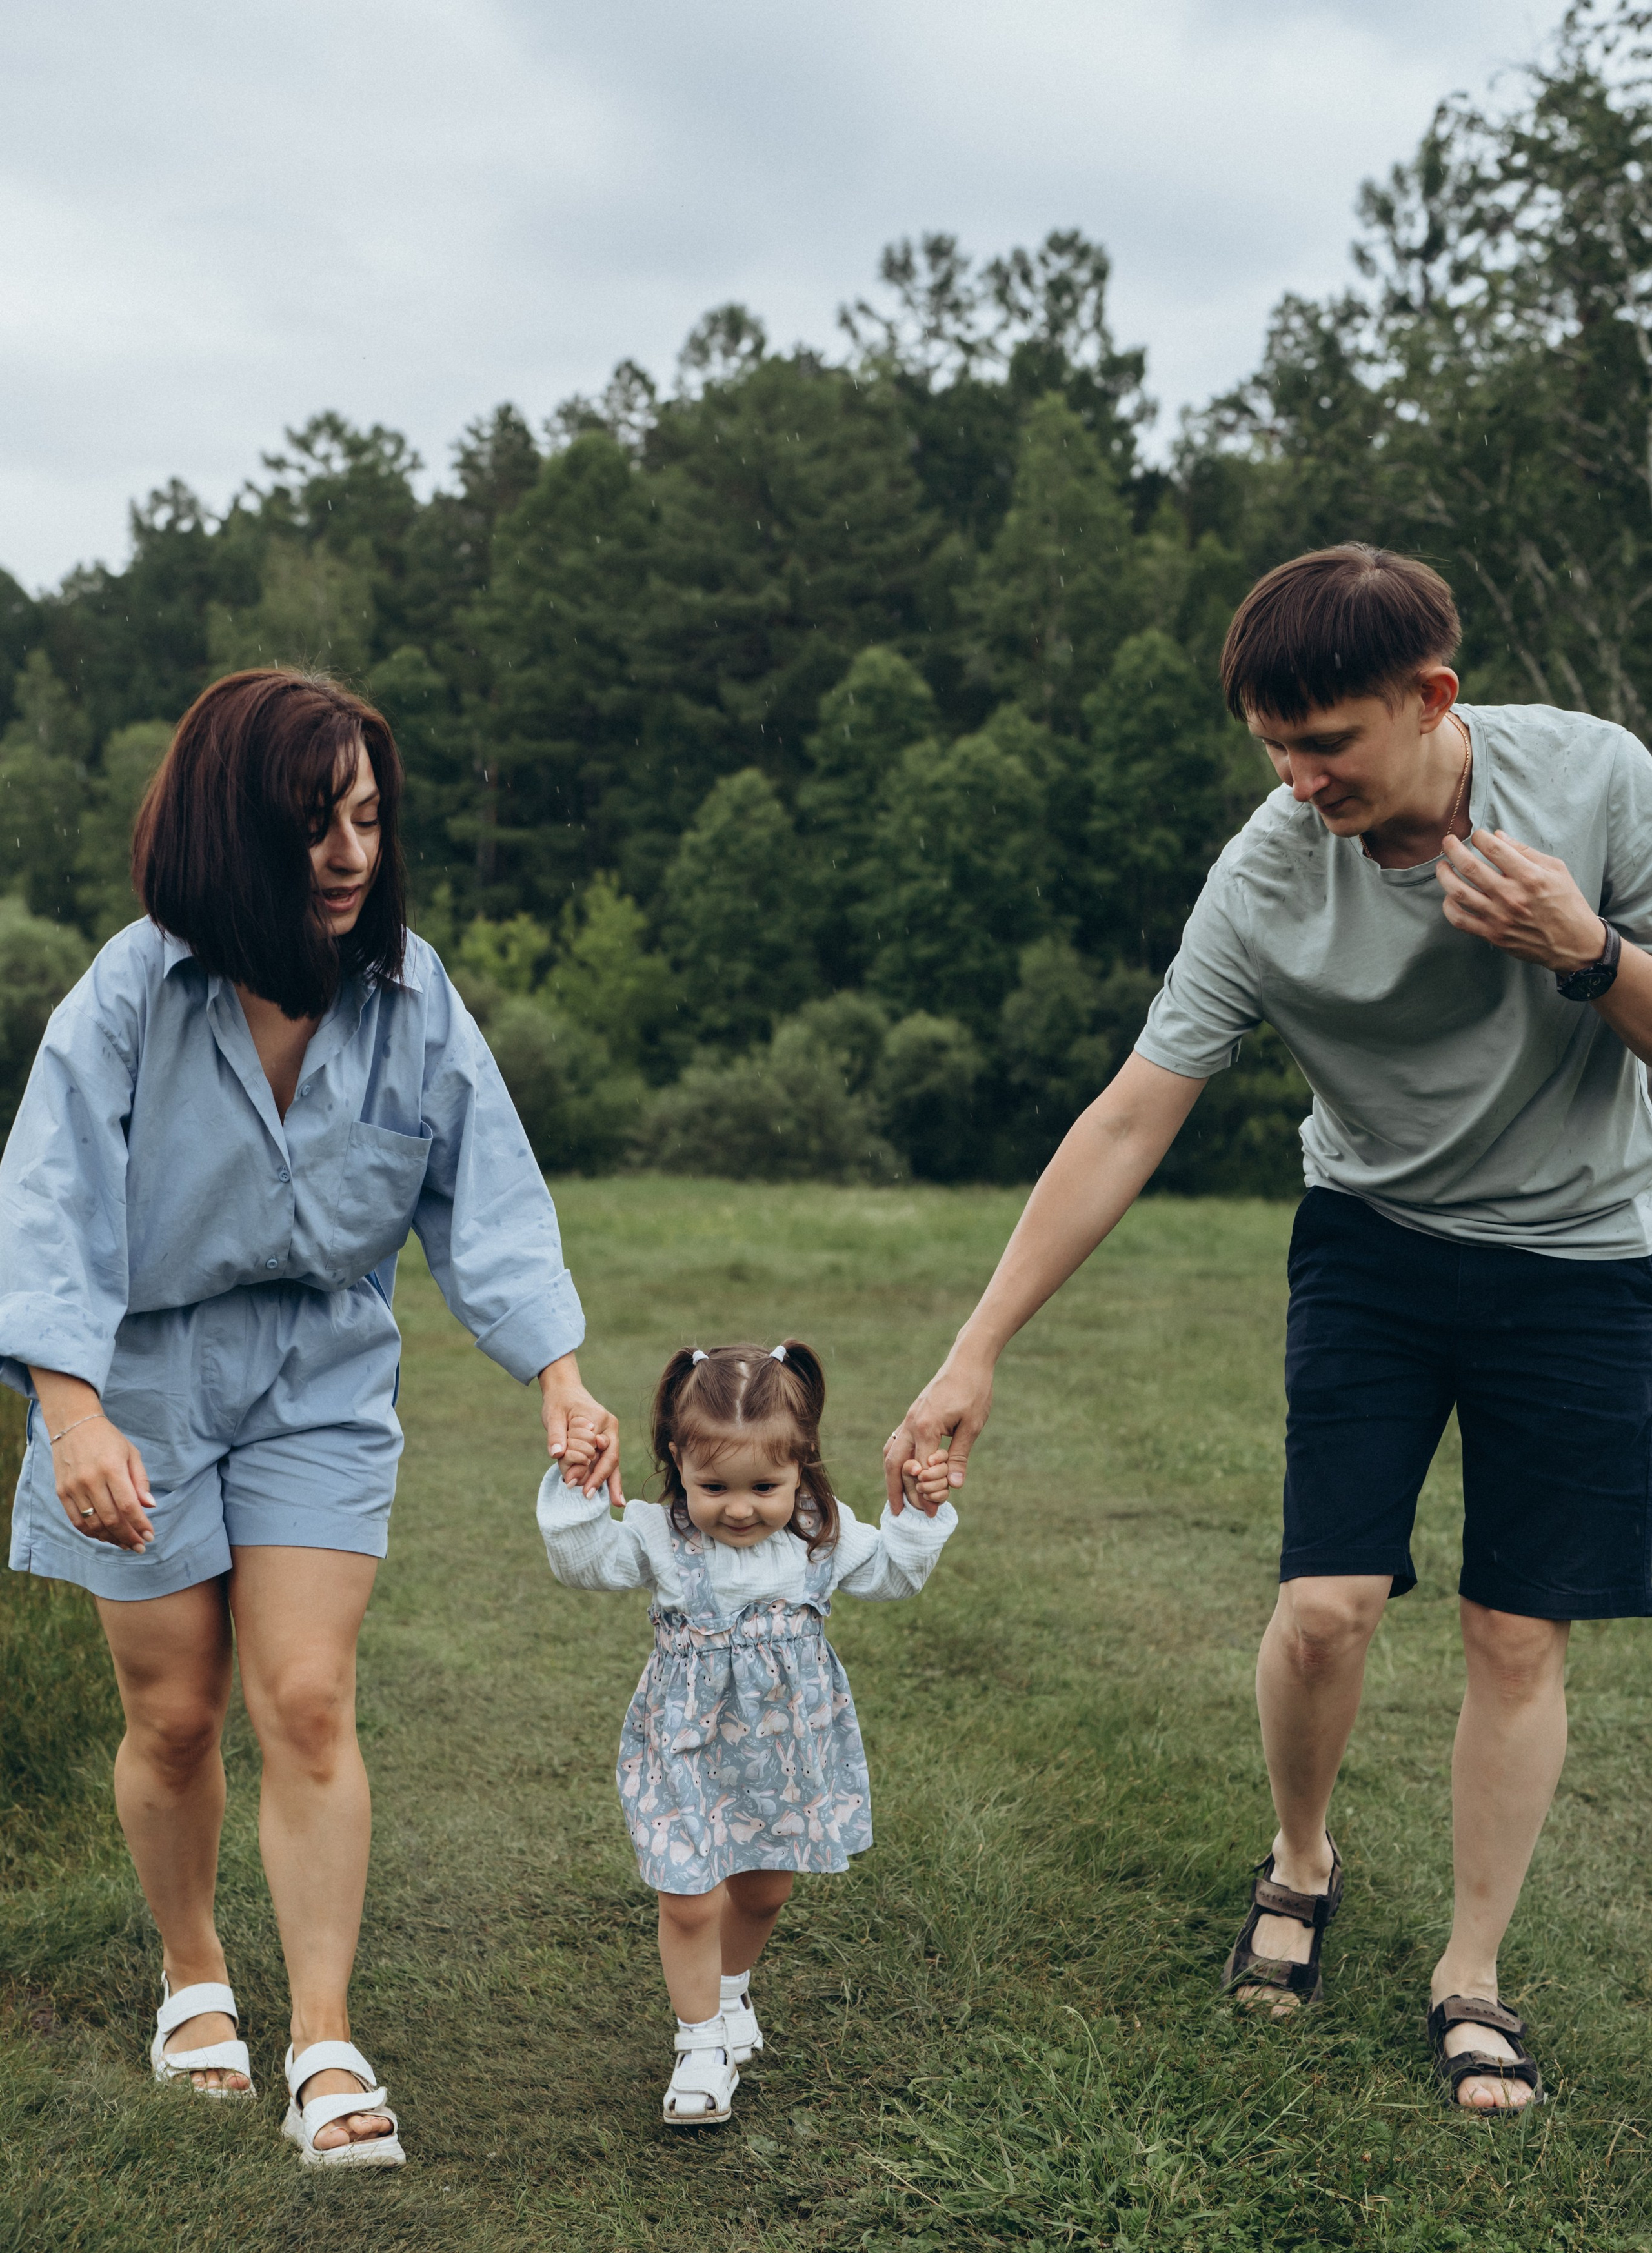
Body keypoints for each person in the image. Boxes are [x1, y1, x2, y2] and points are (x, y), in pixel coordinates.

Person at [885, 543, 1652, 2113]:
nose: (1297, 779)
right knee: (1322, 1605)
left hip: (1579, 1257)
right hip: (1369, 1246)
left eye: (1325, 745)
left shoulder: (1593, 782)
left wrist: (1584, 954)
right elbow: (1125, 1123)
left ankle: (1471, 1976)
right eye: (1271, 749)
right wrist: (976, 1347)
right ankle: (1299, 1857)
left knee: (1515, 1628)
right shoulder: (1262, 874)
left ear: (1429, 700)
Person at [0, 668, 619, 2167]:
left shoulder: (412, 991)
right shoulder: (132, 995)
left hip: (322, 1374)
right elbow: (50, 1207)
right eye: (312, 824)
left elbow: (487, 1190)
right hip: (137, 1375)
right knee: (175, 1708)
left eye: (366, 818)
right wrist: (71, 1414)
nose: (348, 854)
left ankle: (325, 2040)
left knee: (307, 1696)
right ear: (232, 830)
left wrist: (556, 1368)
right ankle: (192, 1973)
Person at [539, 1340, 955, 2125]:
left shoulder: (817, 1536)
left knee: (765, 1888)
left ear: (802, 1465)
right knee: (690, 1894)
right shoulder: (660, 1536)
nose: (739, 1508)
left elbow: (895, 1575)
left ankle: (730, 1993)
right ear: (676, 1462)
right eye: (713, 1486)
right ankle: (698, 2045)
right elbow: (584, 1562)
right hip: (685, 1745)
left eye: (764, 1485)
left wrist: (920, 1512)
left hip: (785, 1753)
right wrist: (578, 1485)